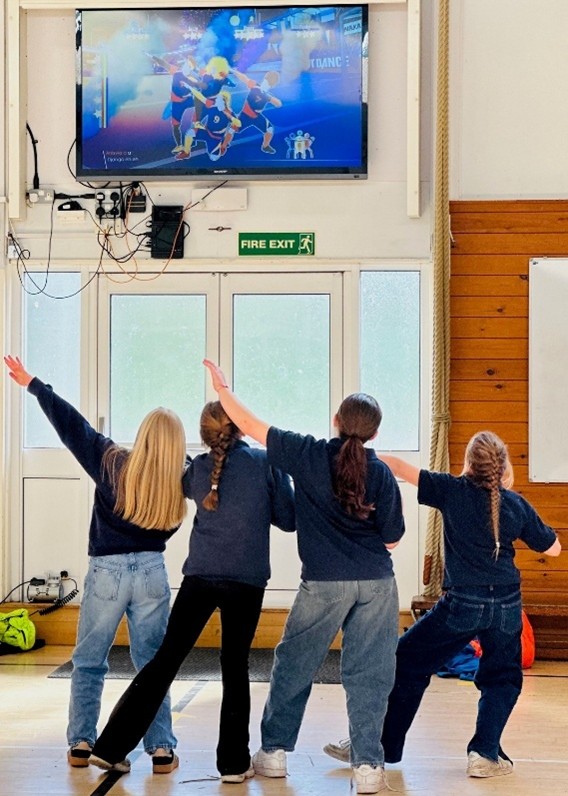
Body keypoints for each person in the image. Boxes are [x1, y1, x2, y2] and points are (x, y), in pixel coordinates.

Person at [200, 360, 406, 796]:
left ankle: (274, 753)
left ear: (336, 422)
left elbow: (252, 425)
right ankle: (368, 766)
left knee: (295, 663)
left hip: (323, 584)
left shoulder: (309, 454)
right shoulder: (383, 473)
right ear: (374, 434)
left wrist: (223, 389)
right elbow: (392, 537)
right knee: (370, 673)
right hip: (377, 585)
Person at [324, 430, 561, 779]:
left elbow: (400, 467)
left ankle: (378, 746)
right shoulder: (516, 504)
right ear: (504, 469)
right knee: (502, 679)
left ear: (467, 464)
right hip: (507, 606)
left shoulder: (451, 489)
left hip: (462, 603)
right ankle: (484, 753)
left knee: (407, 662)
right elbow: (552, 548)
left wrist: (364, 456)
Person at [90, 400, 295, 782]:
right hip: (246, 582)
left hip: (199, 577)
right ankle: (234, 765)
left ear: (204, 436)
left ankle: (110, 747)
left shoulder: (197, 470)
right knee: (234, 666)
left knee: (166, 661)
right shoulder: (266, 463)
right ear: (241, 429)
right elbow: (288, 519)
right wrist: (279, 472)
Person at [3, 355, 188, 774]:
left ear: (142, 436)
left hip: (106, 572)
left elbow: (72, 426)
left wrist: (36, 385)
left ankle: (82, 743)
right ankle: (161, 748)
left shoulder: (111, 463)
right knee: (152, 664)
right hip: (152, 574)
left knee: (89, 659)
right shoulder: (179, 480)